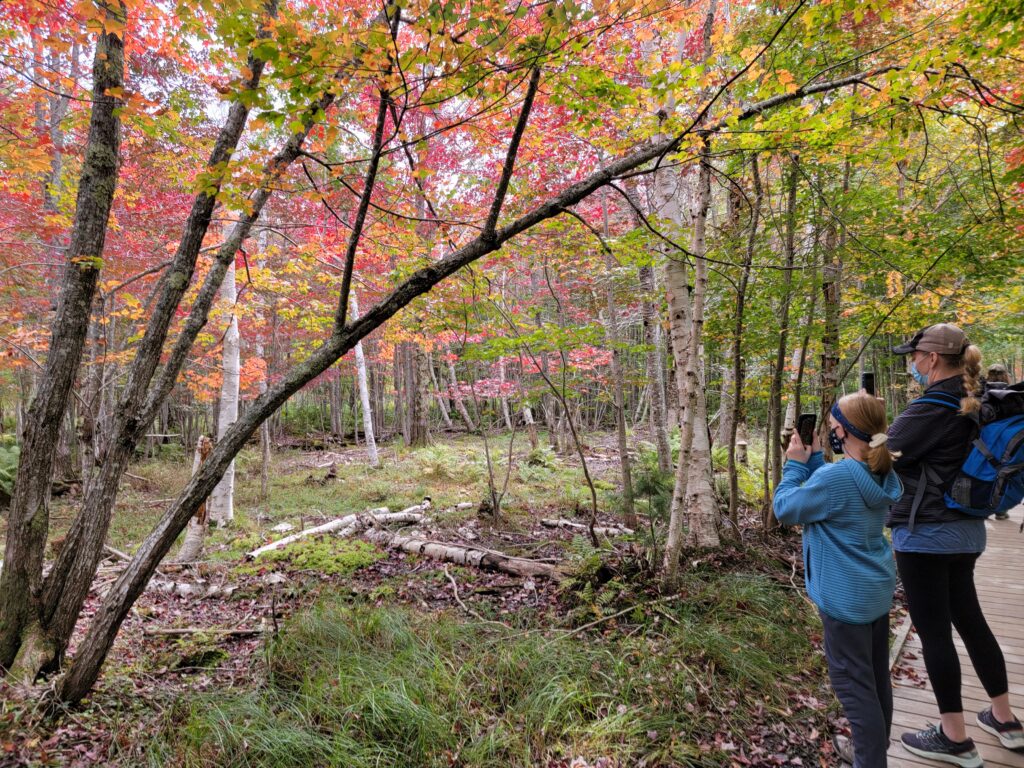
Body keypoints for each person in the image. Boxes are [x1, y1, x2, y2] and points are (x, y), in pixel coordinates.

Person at [889, 323, 1024, 766]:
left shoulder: (931, 406)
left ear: (930, 358)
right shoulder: (979, 400)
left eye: (914, 356)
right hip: (968, 528)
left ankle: (954, 738)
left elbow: (883, 456)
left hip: (926, 532)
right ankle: (1004, 719)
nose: (912, 364)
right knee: (971, 620)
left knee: (934, 634)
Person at [775, 391, 903, 768]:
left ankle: (869, 760)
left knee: (855, 690)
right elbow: (832, 497)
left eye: (832, 429)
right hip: (874, 592)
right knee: (877, 680)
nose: (829, 433)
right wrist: (815, 459)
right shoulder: (880, 470)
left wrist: (795, 466)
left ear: (846, 433)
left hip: (845, 600)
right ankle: (871, 751)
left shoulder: (839, 476)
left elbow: (785, 508)